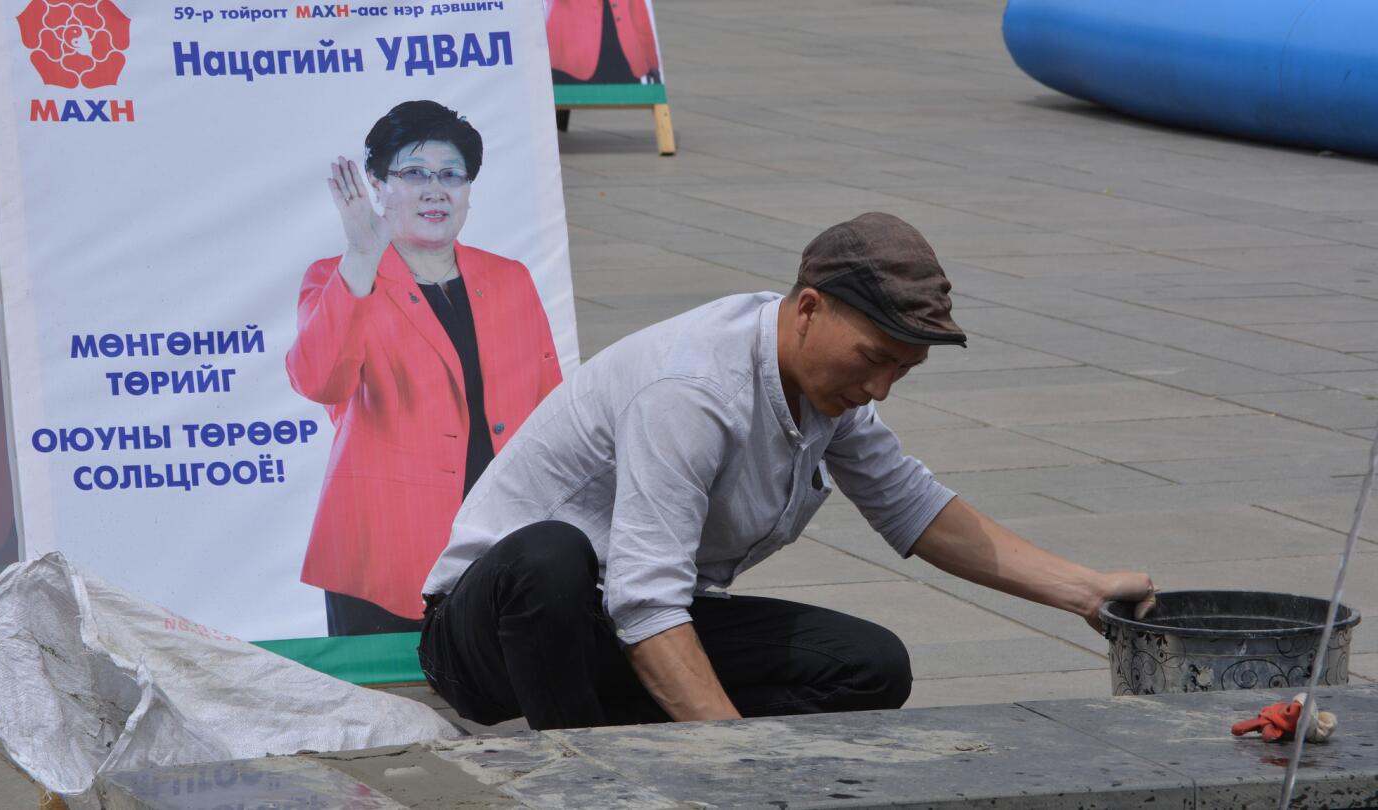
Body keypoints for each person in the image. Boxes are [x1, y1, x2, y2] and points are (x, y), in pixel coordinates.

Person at [417, 212, 1157, 730]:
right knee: (552, 557)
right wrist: (742, 763)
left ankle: (641, 732)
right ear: (808, 309)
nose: (880, 390)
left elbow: (914, 507)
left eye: (905, 370)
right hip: (494, 634)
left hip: (617, 622)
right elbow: (645, 602)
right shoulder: (693, 390)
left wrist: (1085, 592)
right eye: (873, 360)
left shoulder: (824, 390)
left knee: (870, 666)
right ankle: (592, 776)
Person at [287, 101, 563, 637]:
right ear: (375, 184)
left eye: (451, 175)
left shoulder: (510, 279)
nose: (435, 190)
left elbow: (550, 407)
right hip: (381, 547)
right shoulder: (337, 277)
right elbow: (320, 381)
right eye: (414, 173)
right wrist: (363, 257)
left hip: (502, 537)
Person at [546, 0, 662, 84]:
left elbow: (639, 16)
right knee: (558, 112)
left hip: (624, 62)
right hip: (572, 63)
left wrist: (651, 62)